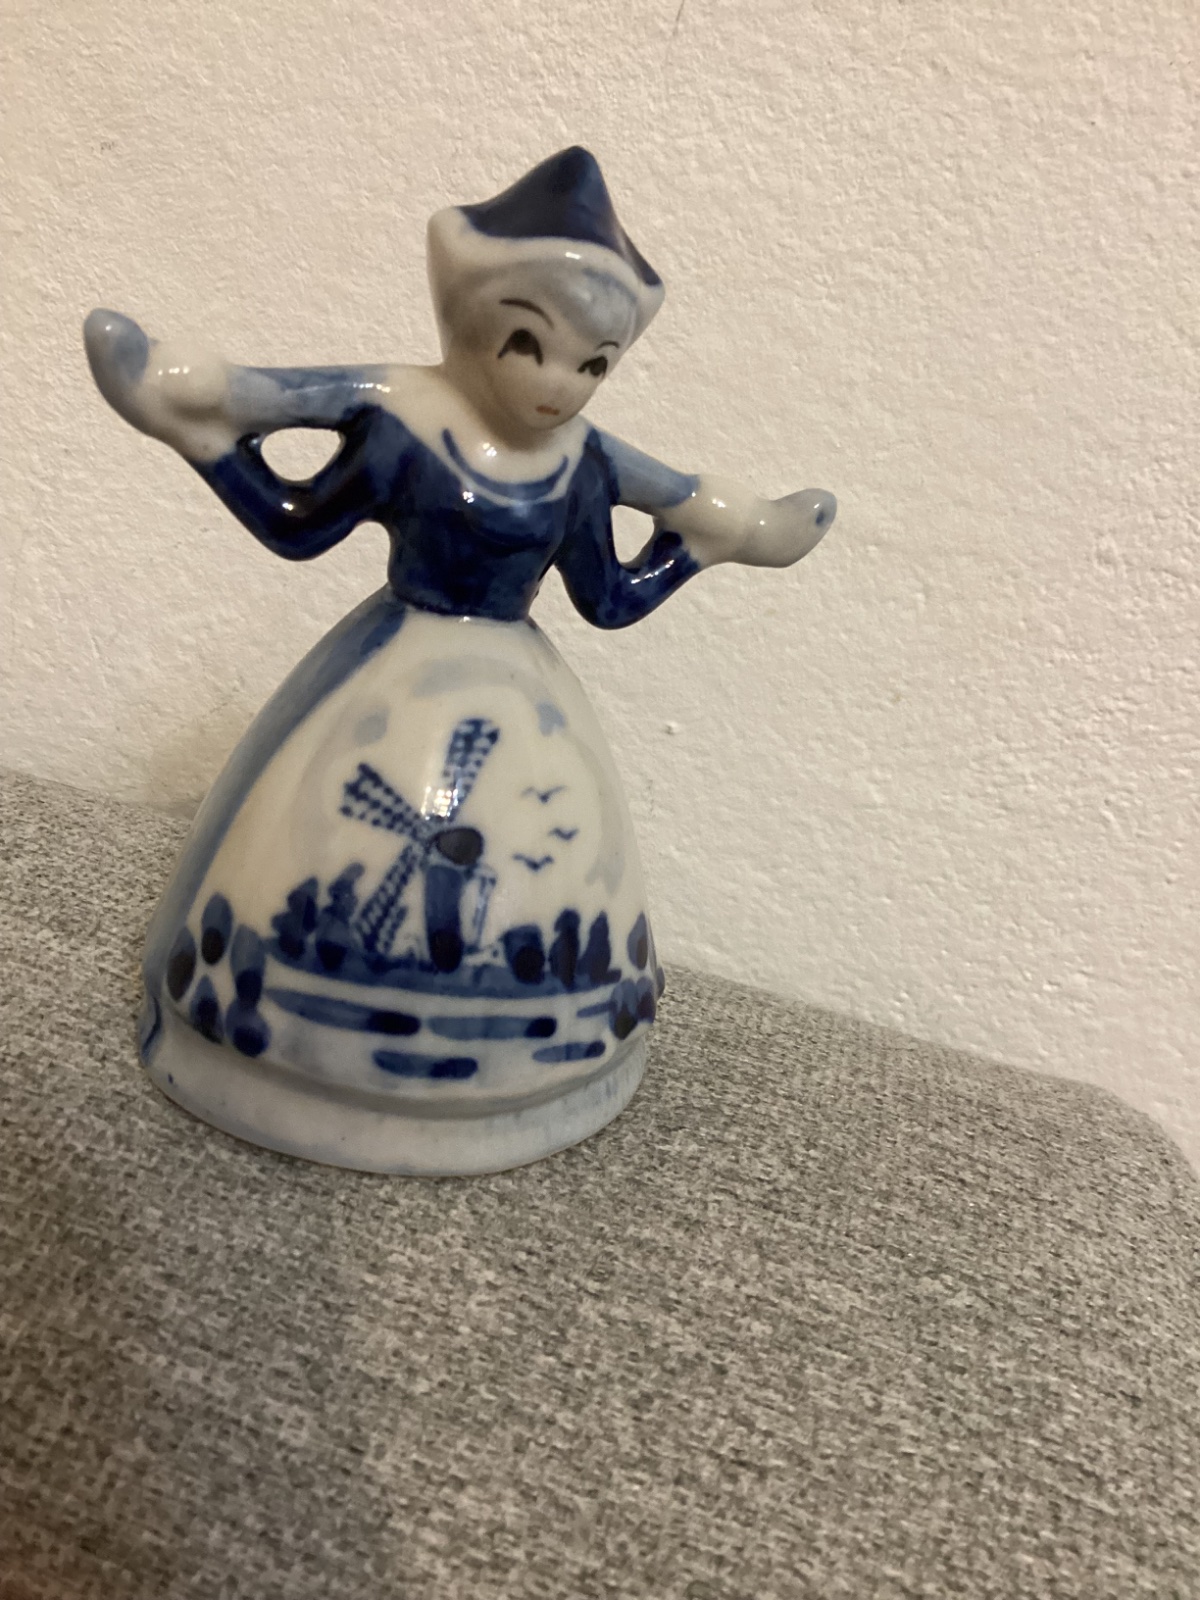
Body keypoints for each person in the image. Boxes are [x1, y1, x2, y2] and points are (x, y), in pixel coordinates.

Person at [83, 146, 837, 1175]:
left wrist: (704, 546)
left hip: (519, 695)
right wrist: (204, 435)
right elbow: (296, 519)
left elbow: (608, 600)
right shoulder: (402, 416)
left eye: (593, 363)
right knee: (316, 829)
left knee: (531, 863)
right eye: (530, 343)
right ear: (468, 318)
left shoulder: (584, 465)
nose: (557, 384)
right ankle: (261, 1034)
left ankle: (538, 1061)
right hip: (387, 667)